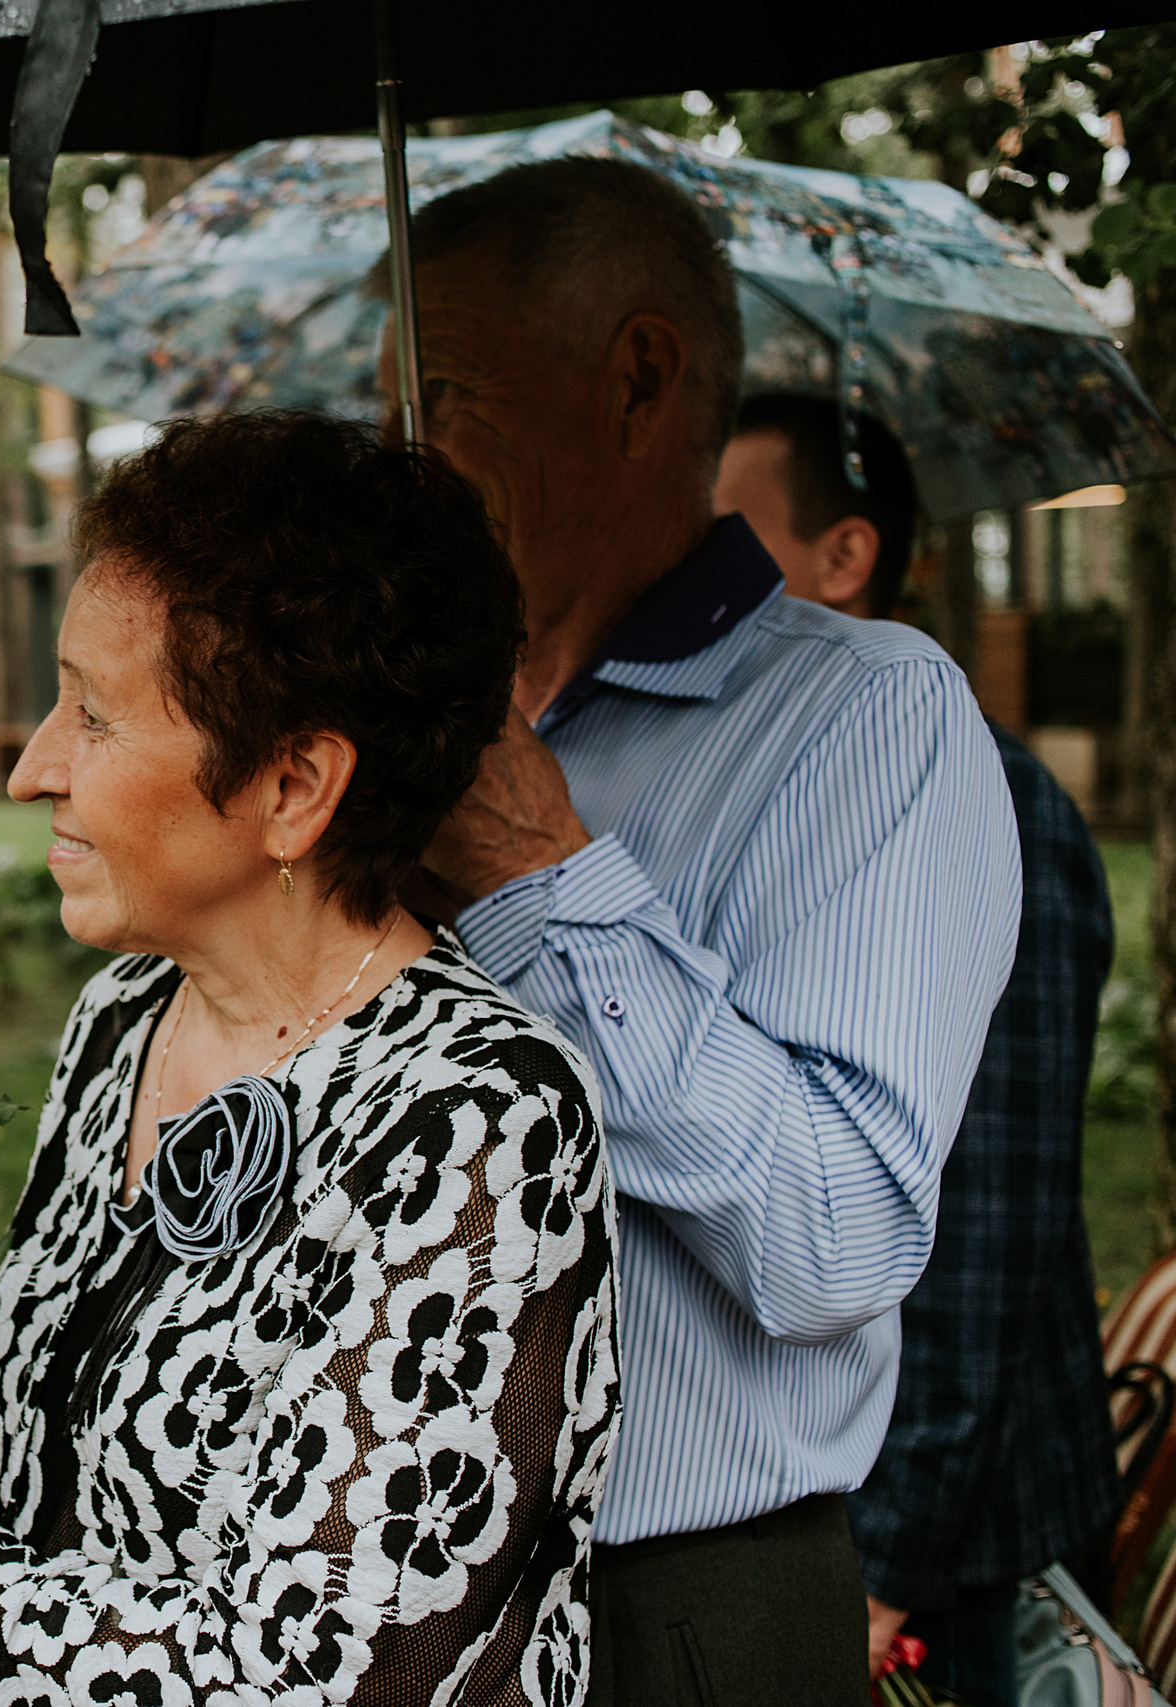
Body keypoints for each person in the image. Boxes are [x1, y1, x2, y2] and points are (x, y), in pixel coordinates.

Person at [0, 411, 620, 1702]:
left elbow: (318, 1675)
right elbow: (43, 1487)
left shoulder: (475, 1122)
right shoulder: (128, 1010)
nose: (30, 768)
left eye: (95, 715)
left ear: (295, 783)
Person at [387, 159, 1021, 1704]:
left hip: (663, 1608)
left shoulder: (869, 717)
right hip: (367, 1569)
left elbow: (837, 1235)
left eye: (446, 388)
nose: (401, 449)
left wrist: (543, 872)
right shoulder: (395, 708)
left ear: (639, 378)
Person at [718, 393, 1121, 1705]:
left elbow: (985, 1221)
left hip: (956, 1530)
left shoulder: (989, 798)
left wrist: (886, 1559)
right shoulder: (764, 773)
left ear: (846, 557)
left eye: (728, 534)